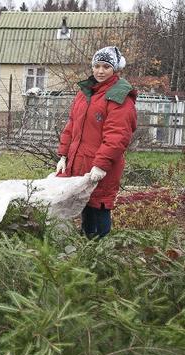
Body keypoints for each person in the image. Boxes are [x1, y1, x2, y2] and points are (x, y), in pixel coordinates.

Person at [56, 46, 137, 238]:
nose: (100, 71)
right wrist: (63, 155)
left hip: (101, 168)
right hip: (79, 163)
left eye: (106, 67)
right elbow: (71, 126)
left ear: (116, 69)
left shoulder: (119, 97)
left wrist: (101, 165)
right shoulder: (85, 93)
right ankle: (86, 250)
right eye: (97, 66)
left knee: (99, 207)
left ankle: (102, 254)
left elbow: (117, 136)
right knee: (85, 207)